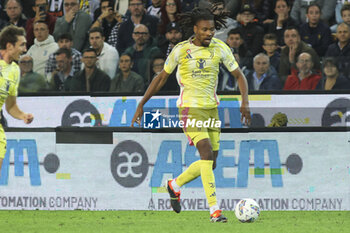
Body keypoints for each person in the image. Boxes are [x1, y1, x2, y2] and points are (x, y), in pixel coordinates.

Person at [131, 7, 251, 222]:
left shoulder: (220, 48)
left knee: (211, 163)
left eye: (212, 29)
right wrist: (142, 103)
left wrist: (245, 102)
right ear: (195, 29)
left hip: (212, 109)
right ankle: (215, 211)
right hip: (189, 109)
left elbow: (239, 75)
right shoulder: (180, 50)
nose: (209, 33)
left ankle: (174, 185)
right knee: (205, 156)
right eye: (205, 30)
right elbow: (160, 78)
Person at [0, 25, 34, 172]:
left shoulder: (14, 70)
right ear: (9, 46)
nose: (25, 49)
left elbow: (11, 106)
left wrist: (22, 115)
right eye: (22, 45)